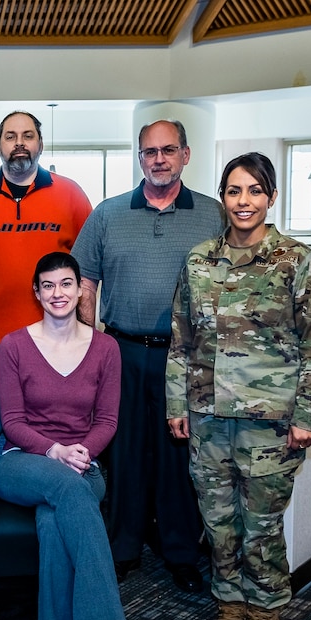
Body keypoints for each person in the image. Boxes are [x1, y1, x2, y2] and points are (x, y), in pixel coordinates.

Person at [167, 152, 311, 620]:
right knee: (217, 520)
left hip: (271, 422)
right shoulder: (199, 260)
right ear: (222, 198)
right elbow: (182, 339)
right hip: (208, 417)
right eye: (234, 191)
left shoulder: (296, 261)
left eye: (254, 192)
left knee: (260, 522)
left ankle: (265, 612)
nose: (244, 202)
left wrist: (309, 418)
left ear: (271, 198)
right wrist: (177, 403)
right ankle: (229, 605)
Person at [72, 119, 224, 593]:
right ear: (139, 157)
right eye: (149, 151)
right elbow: (86, 284)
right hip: (120, 351)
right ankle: (122, 547)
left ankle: (180, 550)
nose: (158, 159)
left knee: (179, 456)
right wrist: (85, 348)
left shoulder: (213, 215)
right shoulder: (108, 214)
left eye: (168, 150)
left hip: (186, 357)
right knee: (124, 454)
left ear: (186, 155)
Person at [0, 252, 153, 620]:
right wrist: (55, 450)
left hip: (84, 463)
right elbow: (12, 421)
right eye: (48, 285)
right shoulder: (14, 346)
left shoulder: (106, 348)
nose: (58, 293)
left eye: (66, 284)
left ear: (81, 289)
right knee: (67, 489)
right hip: (22, 461)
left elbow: (106, 420)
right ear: (36, 293)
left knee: (52, 524)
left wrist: (80, 453)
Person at [0, 111, 92, 341]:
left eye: (28, 136)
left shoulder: (71, 195)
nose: (19, 143)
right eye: (10, 137)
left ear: (41, 144)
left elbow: (86, 263)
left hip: (55, 335)